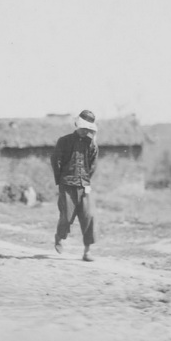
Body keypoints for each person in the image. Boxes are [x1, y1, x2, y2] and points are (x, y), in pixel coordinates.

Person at [50, 110, 99, 261]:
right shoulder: (64, 141)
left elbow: (92, 165)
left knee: (89, 216)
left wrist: (85, 180)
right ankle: (59, 237)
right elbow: (55, 161)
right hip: (67, 185)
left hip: (84, 186)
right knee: (66, 216)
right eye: (83, 128)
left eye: (88, 129)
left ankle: (87, 251)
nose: (86, 131)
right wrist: (61, 180)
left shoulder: (92, 145)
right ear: (77, 125)